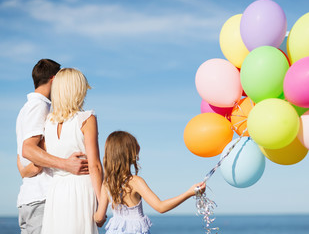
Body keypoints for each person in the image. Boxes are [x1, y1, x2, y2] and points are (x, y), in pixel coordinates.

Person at [16, 59, 88, 234]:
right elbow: (28, 149)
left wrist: (28, 170)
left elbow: (22, 158)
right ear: (54, 79)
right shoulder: (40, 106)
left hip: (32, 199)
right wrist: (66, 164)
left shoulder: (26, 109)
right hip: (41, 198)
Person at [94, 131, 206, 233]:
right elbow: (160, 207)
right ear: (128, 153)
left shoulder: (107, 184)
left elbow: (99, 217)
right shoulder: (135, 181)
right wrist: (189, 193)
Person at [41, 68, 103, 234]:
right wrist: (101, 202)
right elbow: (95, 165)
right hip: (81, 188)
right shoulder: (86, 119)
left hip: (56, 190)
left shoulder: (48, 122)